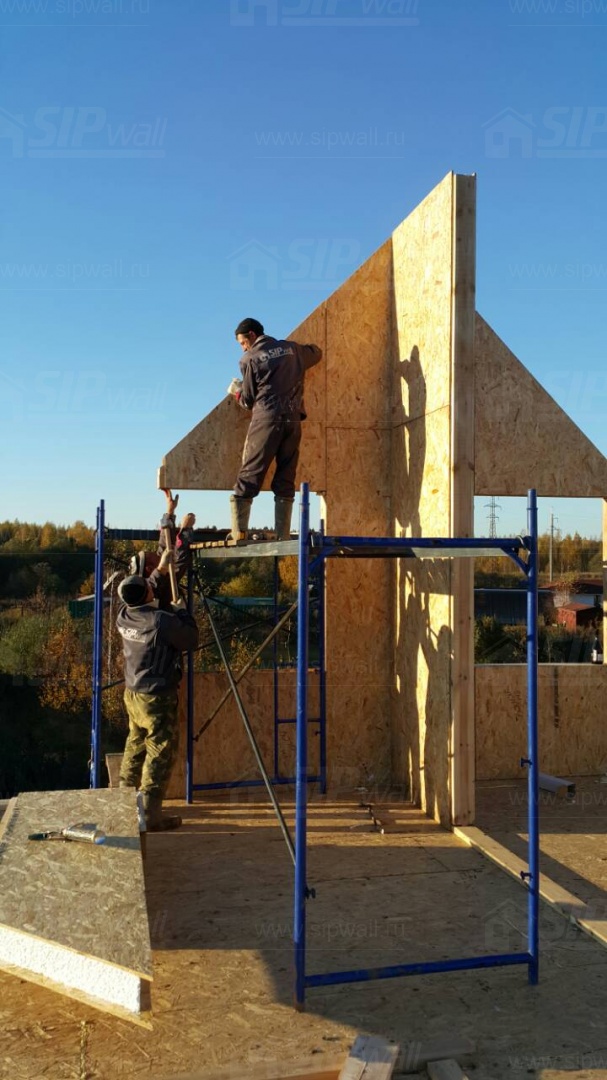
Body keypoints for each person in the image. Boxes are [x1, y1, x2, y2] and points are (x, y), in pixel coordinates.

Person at [117, 565, 199, 831]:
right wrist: (182, 611)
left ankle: (123, 804)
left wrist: (162, 567)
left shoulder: (124, 615)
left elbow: (143, 590)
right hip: (156, 697)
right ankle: (151, 814)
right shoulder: (160, 620)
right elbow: (190, 639)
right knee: (160, 753)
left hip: (133, 693)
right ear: (146, 595)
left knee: (135, 745)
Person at [228, 317, 322, 541]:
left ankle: (239, 532)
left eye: (243, 343)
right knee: (286, 475)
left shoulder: (249, 359)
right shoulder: (293, 350)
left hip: (267, 420)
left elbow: (248, 400)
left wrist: (236, 391)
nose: (243, 348)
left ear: (252, 335)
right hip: (292, 420)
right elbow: (316, 353)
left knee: (251, 472)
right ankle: (283, 535)